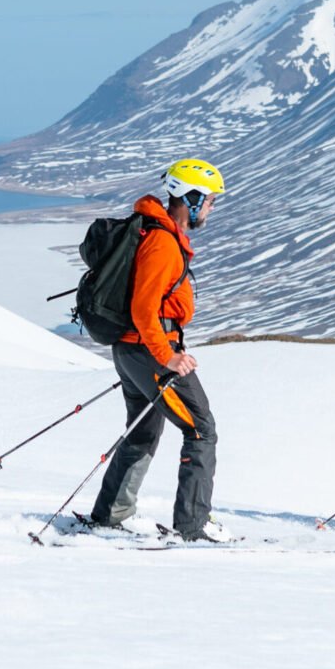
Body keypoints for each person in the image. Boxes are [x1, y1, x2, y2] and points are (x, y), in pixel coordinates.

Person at [88, 158, 228, 542]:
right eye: (210, 200)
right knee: (201, 429)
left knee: (143, 431)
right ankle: (193, 525)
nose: (212, 207)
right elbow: (143, 308)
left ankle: (110, 514)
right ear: (192, 199)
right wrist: (167, 355)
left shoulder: (157, 233)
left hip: (132, 351)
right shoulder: (163, 243)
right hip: (149, 353)